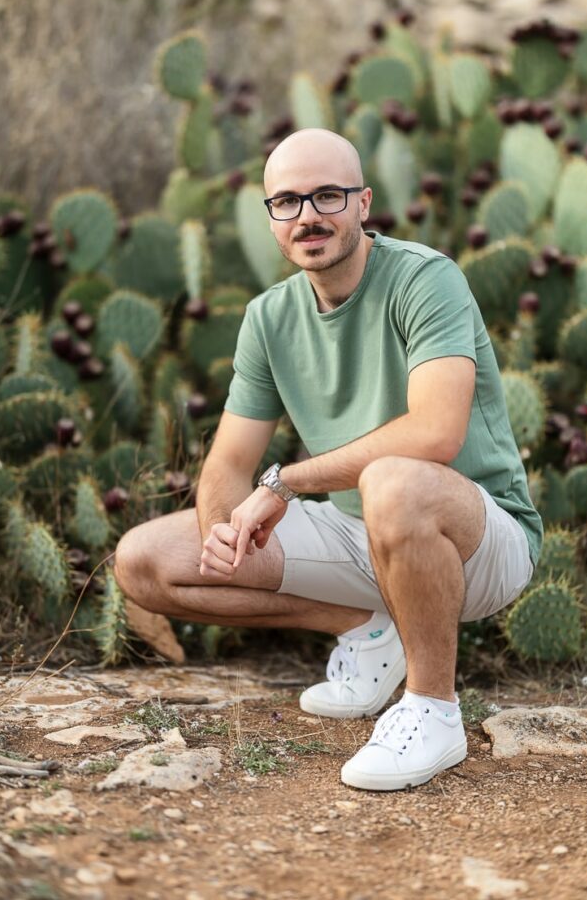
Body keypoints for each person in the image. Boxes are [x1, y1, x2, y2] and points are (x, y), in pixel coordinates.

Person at [114, 128, 543, 792]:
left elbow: (435, 434)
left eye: (327, 195)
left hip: (478, 539)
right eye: (287, 201)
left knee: (394, 480)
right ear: (272, 219)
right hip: (360, 538)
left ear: (364, 202)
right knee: (145, 561)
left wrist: (284, 484)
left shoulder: (426, 279)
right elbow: (229, 458)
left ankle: (433, 709)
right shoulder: (267, 317)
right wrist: (224, 536)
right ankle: (374, 630)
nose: (308, 214)